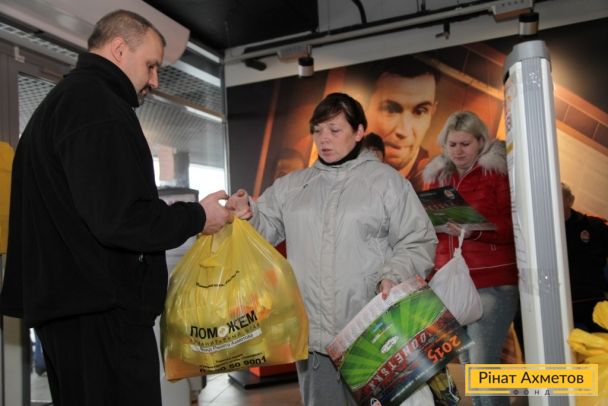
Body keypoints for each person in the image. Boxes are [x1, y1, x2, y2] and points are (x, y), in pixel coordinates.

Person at [0, 10, 231, 406]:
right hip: (100, 316)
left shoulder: (63, 103)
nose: (155, 81)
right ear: (120, 50)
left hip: (74, 313)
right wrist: (198, 217)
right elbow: (122, 218)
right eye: (151, 66)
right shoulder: (96, 106)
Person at [227, 92, 437, 405]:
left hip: (370, 334)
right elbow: (264, 227)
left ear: (359, 131)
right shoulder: (293, 186)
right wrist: (247, 213)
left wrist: (395, 274)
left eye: (334, 130)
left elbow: (417, 239)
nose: (324, 139)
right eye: (318, 130)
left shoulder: (387, 183)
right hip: (313, 341)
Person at [422, 111, 518, 406]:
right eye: (452, 145)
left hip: (491, 282)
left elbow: (514, 227)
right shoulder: (437, 177)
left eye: (465, 144)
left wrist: (473, 230)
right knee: (469, 367)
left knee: (482, 369)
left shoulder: (496, 174)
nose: (458, 151)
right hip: (451, 282)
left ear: (480, 141)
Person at [366, 56, 440, 191]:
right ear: (364, 108)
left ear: (432, 114)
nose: (404, 131)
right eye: (391, 110)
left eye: (420, 111)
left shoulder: (435, 184)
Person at [562, 182, 608, 332]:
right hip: (559, 302)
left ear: (570, 200)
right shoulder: (540, 231)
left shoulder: (594, 227)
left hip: (592, 300)